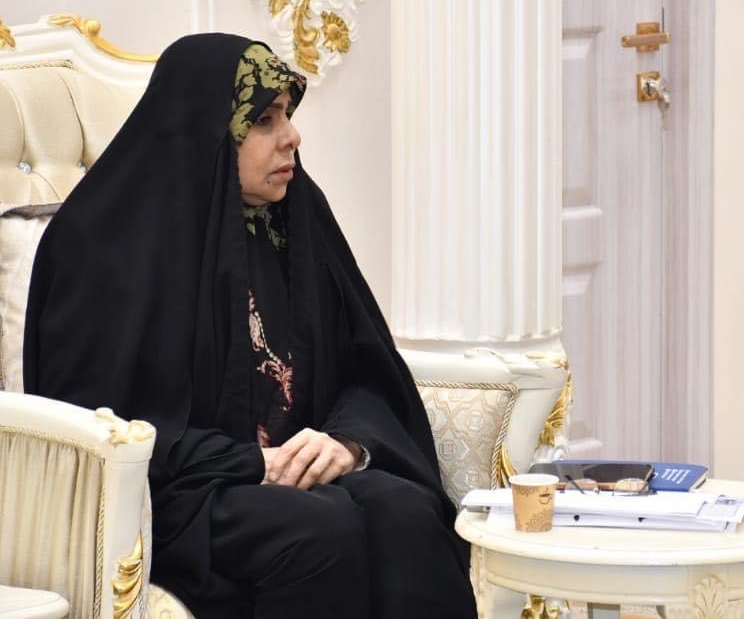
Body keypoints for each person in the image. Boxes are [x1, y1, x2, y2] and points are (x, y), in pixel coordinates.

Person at [24, 34, 476, 618]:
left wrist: (346, 442)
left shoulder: (296, 217)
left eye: (287, 114)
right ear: (211, 129)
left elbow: (366, 366)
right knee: (317, 528)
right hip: (171, 495)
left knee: (404, 512)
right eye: (264, 120)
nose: (292, 137)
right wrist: (249, 463)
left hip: (295, 477)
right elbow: (93, 422)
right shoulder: (101, 245)